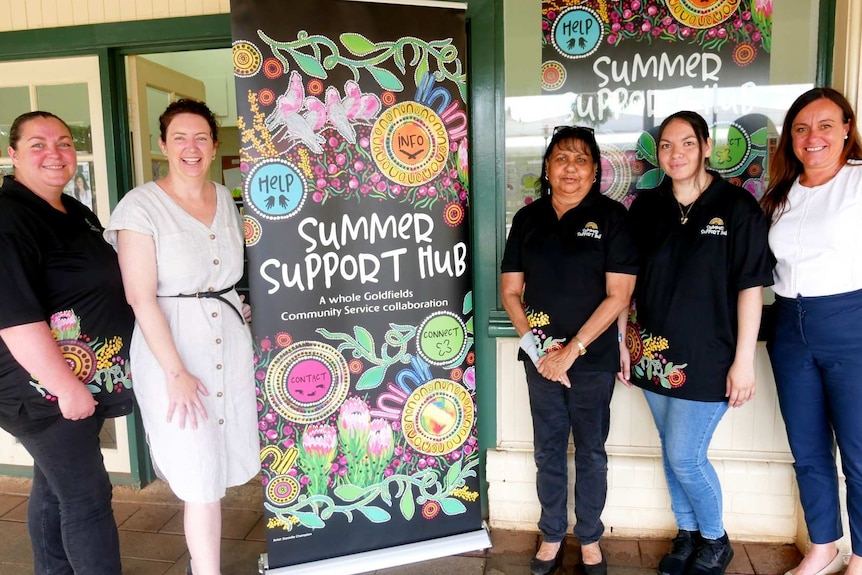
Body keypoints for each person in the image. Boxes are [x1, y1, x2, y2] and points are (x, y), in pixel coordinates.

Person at [105, 99, 259, 575]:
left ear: (214, 145)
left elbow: (226, 275)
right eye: (179, 138)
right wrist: (175, 372)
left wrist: (237, 303)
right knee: (197, 471)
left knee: (222, 458)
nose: (190, 147)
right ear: (163, 144)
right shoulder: (140, 205)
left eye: (200, 138)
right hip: (173, 347)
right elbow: (139, 295)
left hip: (229, 341)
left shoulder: (225, 198)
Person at [622, 110, 773, 575]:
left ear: (707, 146)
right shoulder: (646, 206)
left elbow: (751, 286)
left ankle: (715, 540)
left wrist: (743, 361)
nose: (676, 153)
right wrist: (623, 343)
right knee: (672, 451)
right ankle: (687, 534)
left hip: (710, 354)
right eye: (666, 145)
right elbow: (625, 283)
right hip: (652, 353)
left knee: (686, 455)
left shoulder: (736, 207)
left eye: (687, 143)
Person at [0, 111, 134, 573]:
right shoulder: (8, 218)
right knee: (88, 499)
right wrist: (66, 386)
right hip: (41, 390)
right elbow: (15, 318)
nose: (54, 153)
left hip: (76, 379)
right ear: (13, 154)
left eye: (62, 142)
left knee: (53, 489)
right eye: (37, 144)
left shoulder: (72, 209)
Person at [501, 125, 638, 575]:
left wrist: (571, 351)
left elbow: (619, 294)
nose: (570, 168)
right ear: (547, 167)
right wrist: (540, 351)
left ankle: (591, 537)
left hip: (592, 359)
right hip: (539, 359)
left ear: (596, 169)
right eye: (561, 158)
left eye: (581, 159)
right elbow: (510, 292)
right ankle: (553, 532)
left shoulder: (613, 217)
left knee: (592, 449)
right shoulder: (528, 219)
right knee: (548, 448)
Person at [761, 87, 862, 575]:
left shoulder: (860, 183)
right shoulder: (782, 193)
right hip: (788, 327)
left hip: (851, 325)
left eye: (825, 125)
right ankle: (823, 548)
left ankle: (861, 557)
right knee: (807, 447)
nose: (813, 137)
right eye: (801, 128)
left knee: (859, 452)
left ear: (847, 127)